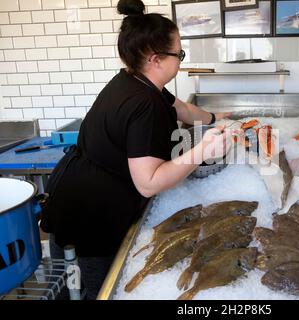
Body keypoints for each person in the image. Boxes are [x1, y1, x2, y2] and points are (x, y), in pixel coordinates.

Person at [40, 0, 232, 300]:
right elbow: (148, 182)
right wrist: (202, 150)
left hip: (76, 197)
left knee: (75, 287)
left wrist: (213, 119)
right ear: (156, 59)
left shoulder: (135, 81)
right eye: (179, 54)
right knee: (93, 290)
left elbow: (180, 108)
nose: (181, 60)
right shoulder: (145, 105)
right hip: (89, 217)